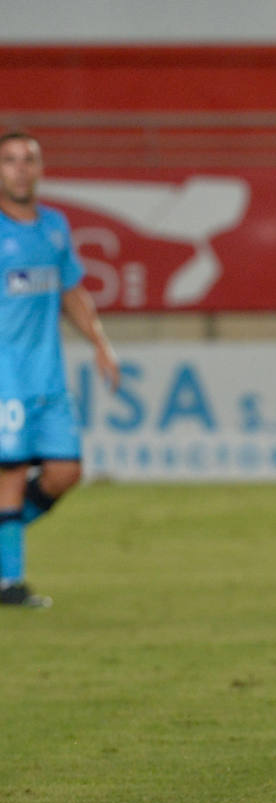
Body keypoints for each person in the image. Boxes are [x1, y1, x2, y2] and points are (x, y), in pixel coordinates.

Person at [0, 130, 120, 609]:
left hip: (47, 376)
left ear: (41, 168)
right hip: (5, 375)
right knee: (9, 472)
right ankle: (10, 582)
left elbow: (71, 290)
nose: (21, 168)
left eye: (29, 159)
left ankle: (4, 544)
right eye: (10, 160)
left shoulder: (54, 226)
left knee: (65, 471)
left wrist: (99, 341)